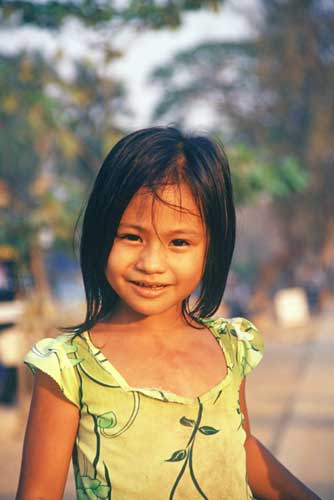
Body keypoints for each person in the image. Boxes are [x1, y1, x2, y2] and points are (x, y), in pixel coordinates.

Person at [16, 127, 320, 500]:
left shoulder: (227, 347)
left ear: (212, 247)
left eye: (179, 242)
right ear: (101, 234)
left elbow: (240, 446)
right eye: (131, 237)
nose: (151, 263)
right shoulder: (67, 368)